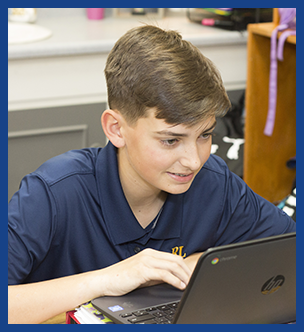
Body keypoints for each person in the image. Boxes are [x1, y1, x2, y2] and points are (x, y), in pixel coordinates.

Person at [8, 25, 296, 324]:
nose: (194, 160)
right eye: (170, 140)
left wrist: (203, 264)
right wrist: (107, 279)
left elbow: (290, 255)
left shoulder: (214, 182)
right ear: (116, 129)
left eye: (205, 134)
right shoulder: (53, 192)